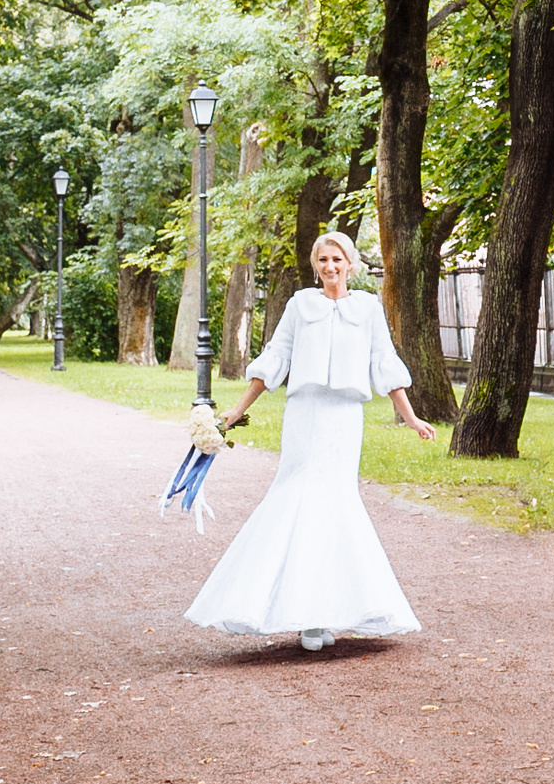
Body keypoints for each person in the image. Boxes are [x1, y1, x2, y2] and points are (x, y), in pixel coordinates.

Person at [184, 230, 435, 651]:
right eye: (323, 260)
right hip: (305, 414)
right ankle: (303, 615)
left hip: (344, 419)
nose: (330, 267)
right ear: (315, 265)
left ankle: (328, 611)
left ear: (350, 264)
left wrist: (410, 418)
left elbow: (384, 363)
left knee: (337, 504)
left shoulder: (368, 309)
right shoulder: (300, 305)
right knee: (297, 498)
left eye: (337, 259)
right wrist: (237, 410)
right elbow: (276, 357)